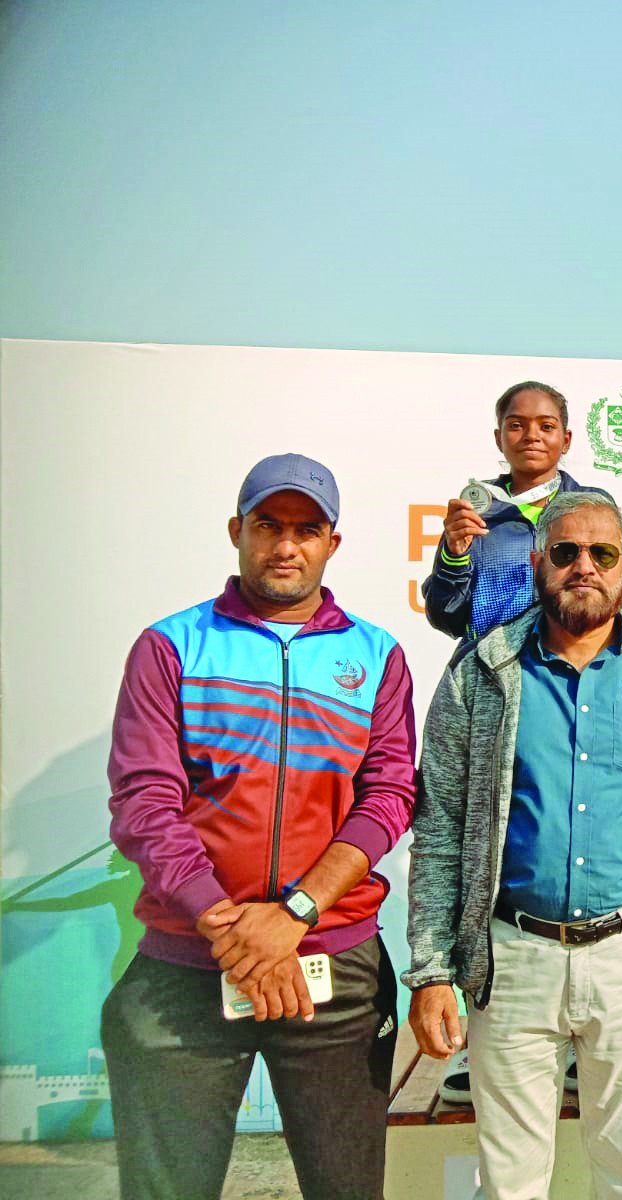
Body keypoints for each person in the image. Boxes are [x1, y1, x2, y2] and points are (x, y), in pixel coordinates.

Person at [101, 453, 417, 1200]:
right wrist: (231, 927)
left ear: (331, 544)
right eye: (269, 525)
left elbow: (389, 798)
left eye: (307, 530)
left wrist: (294, 915)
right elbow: (145, 802)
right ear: (237, 529)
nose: (286, 545)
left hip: (334, 970)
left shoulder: (375, 657)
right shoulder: (171, 646)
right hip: (186, 966)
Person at [406, 491, 622, 1200]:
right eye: (565, 552)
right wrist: (431, 969)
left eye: (602, 553)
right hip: (512, 960)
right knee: (512, 1183)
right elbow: (437, 829)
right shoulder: (483, 673)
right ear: (536, 563)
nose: (583, 566)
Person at [422, 380, 622, 641]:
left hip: (580, 670)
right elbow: (446, 619)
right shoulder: (475, 513)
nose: (532, 436)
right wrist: (454, 557)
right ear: (499, 438)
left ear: (566, 440)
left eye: (546, 426)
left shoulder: (595, 507)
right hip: (491, 672)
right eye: (516, 425)